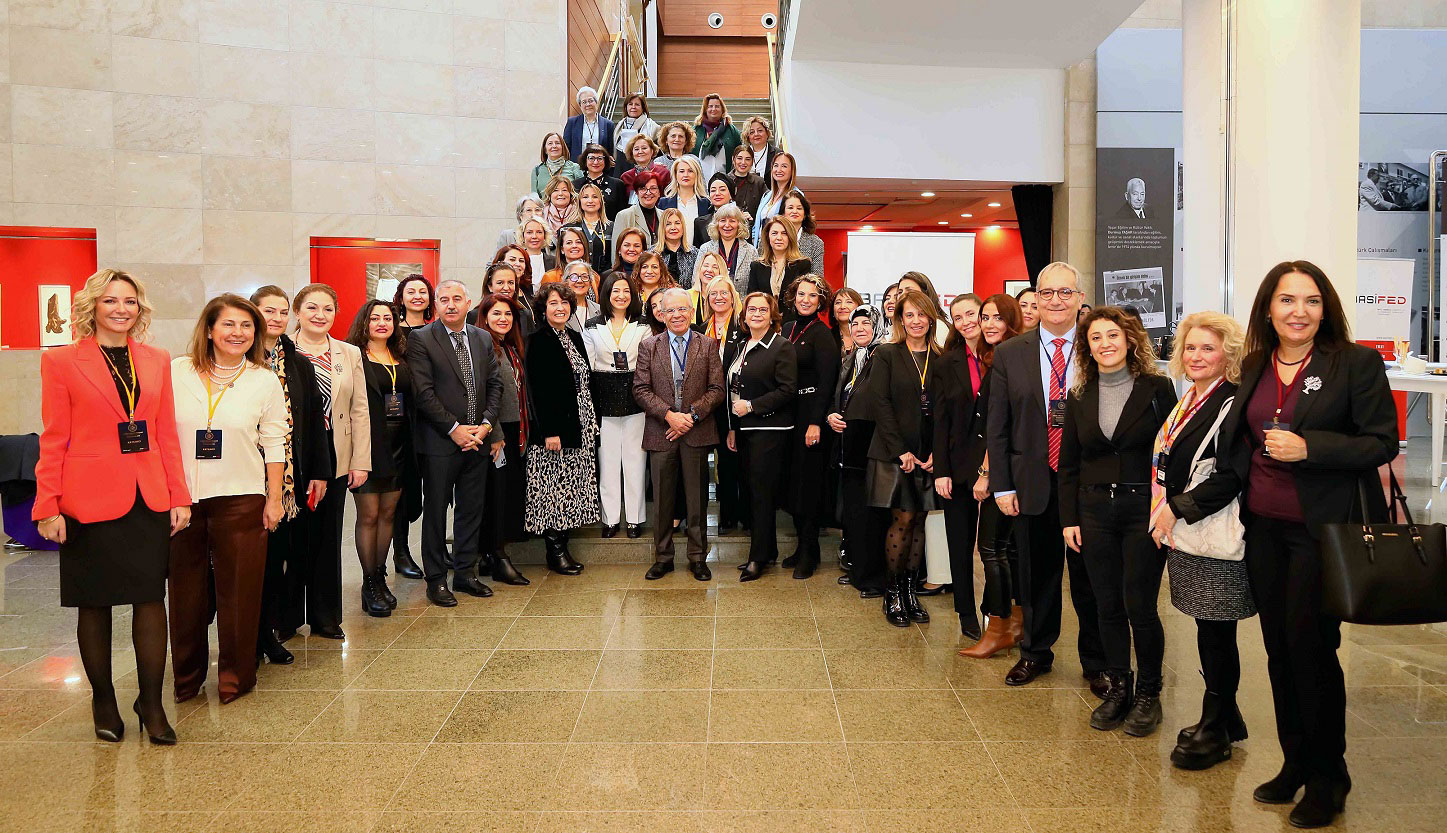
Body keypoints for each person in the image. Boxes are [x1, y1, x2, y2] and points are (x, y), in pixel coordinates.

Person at [1227, 261, 1397, 828]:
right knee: (1278, 650)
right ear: (1268, 309)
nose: (1299, 311)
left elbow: (1380, 442)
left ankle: (1330, 776)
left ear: (1326, 309)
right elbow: (1242, 443)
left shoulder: (1355, 363)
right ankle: (1296, 763)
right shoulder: (1254, 364)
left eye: (1312, 301)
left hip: (1322, 532)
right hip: (1265, 530)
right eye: (1286, 300)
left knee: (1313, 652)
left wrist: (1311, 448)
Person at [34, 269, 190, 743]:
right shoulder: (61, 361)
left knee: (150, 600)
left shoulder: (157, 359)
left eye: (130, 301)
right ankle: (103, 700)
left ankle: (151, 702)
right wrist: (47, 504)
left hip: (148, 495)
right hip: (87, 499)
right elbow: (54, 437)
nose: (121, 309)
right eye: (111, 301)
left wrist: (179, 495)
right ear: (92, 307)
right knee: (94, 604)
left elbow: (166, 434)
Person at [986, 261, 1106, 692]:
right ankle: (1036, 653)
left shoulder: (1100, 348)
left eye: (1065, 292)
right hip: (1030, 484)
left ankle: (1098, 662)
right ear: (1034, 298)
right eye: (1047, 293)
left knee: (1090, 579)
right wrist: (1002, 485)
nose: (1056, 300)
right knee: (1036, 576)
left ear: (1079, 298)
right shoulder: (1010, 353)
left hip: (1088, 485)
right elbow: (997, 426)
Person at [1058, 306, 1177, 735]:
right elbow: (1069, 462)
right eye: (1095, 338)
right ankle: (1119, 687)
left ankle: (1149, 693)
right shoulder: (1080, 393)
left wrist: (1170, 509)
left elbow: (1172, 453)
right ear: (1086, 347)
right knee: (1105, 604)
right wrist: (1069, 517)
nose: (1105, 344)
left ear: (1129, 340)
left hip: (1143, 512)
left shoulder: (1158, 388)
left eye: (1113, 335)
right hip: (1092, 512)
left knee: (1139, 605)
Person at [168, 294, 286, 704]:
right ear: (210, 329)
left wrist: (274, 499)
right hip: (182, 500)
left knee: (240, 592)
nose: (238, 333)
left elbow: (274, 442)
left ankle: (237, 677)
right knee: (186, 595)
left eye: (247, 326)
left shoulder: (263, 379)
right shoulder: (177, 372)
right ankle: (186, 679)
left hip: (242, 496)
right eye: (229, 325)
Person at [1148, 311, 1251, 771]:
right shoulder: (1190, 397)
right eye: (1190, 347)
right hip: (1191, 534)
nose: (1196, 355)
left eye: (1208, 348)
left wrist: (1173, 509)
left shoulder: (1233, 401)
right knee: (1208, 628)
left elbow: (1231, 474)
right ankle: (1227, 716)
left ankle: (1215, 724)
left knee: (1216, 631)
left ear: (1228, 355)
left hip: (1209, 531)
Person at [407, 279, 504, 607]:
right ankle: (435, 579)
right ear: (435, 305)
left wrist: (485, 425)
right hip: (439, 442)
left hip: (477, 439)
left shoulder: (482, 338)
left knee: (471, 509)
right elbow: (422, 393)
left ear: (468, 303)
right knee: (435, 512)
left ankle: (465, 573)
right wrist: (454, 428)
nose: (451, 304)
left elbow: (495, 386)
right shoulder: (420, 338)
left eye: (457, 299)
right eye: (444, 299)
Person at [282, 284, 371, 642]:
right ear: (298, 312)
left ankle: (325, 616)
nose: (320, 315)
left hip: (336, 453)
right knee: (290, 538)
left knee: (327, 537)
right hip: (291, 459)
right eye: (312, 308)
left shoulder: (348, 353)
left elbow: (360, 408)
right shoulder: (280, 350)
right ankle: (286, 617)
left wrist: (360, 460)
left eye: (328, 309)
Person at [250, 287, 334, 663]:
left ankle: (268, 632)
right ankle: (244, 637)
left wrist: (318, 471)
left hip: (286, 479)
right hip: (242, 474)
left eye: (283, 312)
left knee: (277, 557)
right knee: (247, 561)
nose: (277, 318)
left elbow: (314, 422)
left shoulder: (298, 363)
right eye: (269, 311)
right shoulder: (238, 358)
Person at [635, 287, 726, 579]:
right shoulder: (649, 346)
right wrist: (669, 417)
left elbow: (717, 389)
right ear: (661, 314)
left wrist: (691, 416)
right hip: (661, 432)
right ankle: (663, 558)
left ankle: (698, 557)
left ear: (692, 311)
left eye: (682, 309)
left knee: (697, 499)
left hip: (697, 432)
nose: (677, 315)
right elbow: (640, 389)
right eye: (670, 310)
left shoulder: (708, 344)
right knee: (662, 501)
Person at [867, 290, 945, 626]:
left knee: (920, 522)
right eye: (909, 315)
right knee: (902, 520)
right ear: (900, 319)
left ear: (932, 318)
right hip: (892, 452)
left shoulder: (942, 357)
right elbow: (879, 403)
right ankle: (893, 593)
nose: (916, 321)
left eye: (921, 314)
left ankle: (911, 592)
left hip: (928, 455)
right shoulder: (887, 354)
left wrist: (934, 454)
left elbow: (948, 411)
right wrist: (902, 451)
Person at [954, 295, 1027, 659]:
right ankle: (1014, 622)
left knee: (991, 549)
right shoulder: (1000, 356)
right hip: (1006, 468)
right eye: (985, 317)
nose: (989, 324)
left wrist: (985, 473)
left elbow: (1002, 425)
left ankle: (998, 628)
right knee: (1006, 549)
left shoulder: (1010, 359)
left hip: (1004, 470)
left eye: (997, 317)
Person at [346, 300, 415, 618]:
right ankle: (369, 582)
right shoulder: (353, 357)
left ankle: (380, 575)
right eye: (375, 318)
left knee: (389, 515)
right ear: (365, 323)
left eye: (388, 318)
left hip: (400, 445)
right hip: (368, 447)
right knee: (369, 516)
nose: (382, 323)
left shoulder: (401, 356)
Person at [526, 283, 600, 573]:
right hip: (555, 430)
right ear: (543, 309)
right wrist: (549, 431)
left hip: (579, 424)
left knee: (569, 489)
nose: (560, 308)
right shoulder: (539, 340)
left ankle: (563, 546)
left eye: (565, 303)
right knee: (553, 489)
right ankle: (554, 551)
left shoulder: (574, 337)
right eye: (554, 303)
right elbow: (539, 390)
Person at [726, 292, 798, 581]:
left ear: (772, 315)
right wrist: (733, 426)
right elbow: (734, 388)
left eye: (762, 310)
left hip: (770, 432)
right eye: (751, 309)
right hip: (744, 431)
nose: (755, 314)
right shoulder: (743, 345)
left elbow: (787, 390)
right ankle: (767, 551)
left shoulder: (781, 346)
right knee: (753, 493)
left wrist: (752, 406)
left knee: (762, 496)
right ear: (744, 315)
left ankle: (758, 557)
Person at [928, 293, 984, 634]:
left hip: (998, 468)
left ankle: (998, 609)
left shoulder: (1003, 356)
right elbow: (941, 421)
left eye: (971, 314)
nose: (966, 321)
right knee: (959, 542)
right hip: (958, 465)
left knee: (995, 550)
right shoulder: (947, 363)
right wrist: (941, 471)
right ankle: (966, 613)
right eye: (958, 316)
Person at [778, 274, 839, 578]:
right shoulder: (788, 328)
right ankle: (801, 547)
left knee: (809, 484)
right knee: (794, 482)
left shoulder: (823, 334)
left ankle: (810, 552)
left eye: (812, 296)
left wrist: (816, 422)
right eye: (801, 294)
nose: (805, 299)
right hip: (789, 414)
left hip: (811, 417)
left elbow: (827, 383)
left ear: (820, 301)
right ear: (793, 296)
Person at [583, 272, 650, 538]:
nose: (621, 296)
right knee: (608, 461)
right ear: (606, 294)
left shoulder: (643, 325)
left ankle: (634, 519)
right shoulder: (592, 326)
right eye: (615, 291)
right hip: (603, 398)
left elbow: (645, 364)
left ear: (632, 295)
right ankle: (610, 518)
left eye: (626, 291)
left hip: (636, 397)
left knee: (636, 460)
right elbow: (588, 365)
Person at [829, 304, 888, 596]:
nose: (860, 328)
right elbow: (841, 395)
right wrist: (832, 414)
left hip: (871, 447)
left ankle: (874, 578)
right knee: (853, 512)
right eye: (856, 324)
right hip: (848, 447)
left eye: (866, 323)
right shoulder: (853, 357)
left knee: (871, 516)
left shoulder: (883, 356)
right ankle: (858, 571)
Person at [473, 291, 531, 586]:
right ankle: (497, 556)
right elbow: (486, 396)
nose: (503, 319)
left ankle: (490, 554)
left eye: (508, 314)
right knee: (494, 497)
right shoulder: (482, 348)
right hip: (495, 433)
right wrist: (494, 435)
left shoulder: (509, 347)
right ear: (484, 316)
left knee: (503, 495)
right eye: (496, 313)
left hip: (513, 429)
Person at [694, 275, 748, 533]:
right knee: (700, 467)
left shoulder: (743, 329)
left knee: (730, 463)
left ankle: (731, 515)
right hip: (703, 406)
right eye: (713, 293)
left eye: (723, 293)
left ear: (732, 297)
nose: (718, 297)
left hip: (731, 406)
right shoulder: (698, 329)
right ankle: (697, 518)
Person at [694, 203, 759, 295]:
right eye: (723, 221)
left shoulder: (751, 251)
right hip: (712, 304)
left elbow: (755, 287)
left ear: (739, 224)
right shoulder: (705, 248)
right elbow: (695, 280)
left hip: (741, 305)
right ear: (717, 224)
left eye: (732, 221)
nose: (727, 225)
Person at [747, 216, 813, 297]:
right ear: (768, 237)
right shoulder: (757, 266)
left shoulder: (803, 265)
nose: (779, 238)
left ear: (790, 237)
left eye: (784, 233)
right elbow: (752, 298)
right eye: (774, 233)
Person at [468, 259, 535, 336]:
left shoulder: (525, 315)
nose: (506, 288)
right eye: (500, 283)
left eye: (510, 282)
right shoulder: (475, 315)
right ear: (490, 286)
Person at [659, 155, 709, 244]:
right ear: (675, 175)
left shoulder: (706, 204)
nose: (686, 175)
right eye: (681, 171)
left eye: (690, 171)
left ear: (696, 174)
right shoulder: (663, 203)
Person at [693, 93, 742, 180]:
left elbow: (740, 151)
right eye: (710, 106)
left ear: (722, 109)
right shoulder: (696, 130)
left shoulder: (731, 131)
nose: (713, 109)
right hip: (699, 181)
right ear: (705, 109)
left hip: (724, 180)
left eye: (717, 106)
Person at [573, 142, 628, 219]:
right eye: (591, 158)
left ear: (605, 161)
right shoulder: (575, 185)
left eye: (600, 158)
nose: (595, 162)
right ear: (585, 161)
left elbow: (623, 213)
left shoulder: (617, 184)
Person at [752, 152, 799, 241]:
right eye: (776, 166)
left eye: (784, 166)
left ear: (792, 170)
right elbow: (757, 226)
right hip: (761, 249)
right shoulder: (767, 195)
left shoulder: (796, 196)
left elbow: (796, 228)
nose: (779, 170)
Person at [612, 171, 663, 251]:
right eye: (643, 188)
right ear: (636, 193)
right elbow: (616, 250)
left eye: (653, 188)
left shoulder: (664, 215)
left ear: (659, 192)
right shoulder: (624, 216)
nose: (648, 193)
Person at [571, 182, 615, 274]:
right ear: (580, 201)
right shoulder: (571, 228)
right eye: (585, 197)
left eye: (595, 197)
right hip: (576, 277)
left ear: (601, 201)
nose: (590, 201)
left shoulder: (612, 227)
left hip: (604, 278)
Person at [563, 85, 615, 161]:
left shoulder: (608, 124)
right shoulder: (572, 122)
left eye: (590, 101)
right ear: (580, 105)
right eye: (584, 102)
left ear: (596, 102)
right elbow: (565, 147)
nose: (588, 104)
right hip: (577, 169)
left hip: (599, 167)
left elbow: (610, 150)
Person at [613, 93, 661, 172]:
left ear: (643, 107)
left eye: (637, 104)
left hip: (644, 170)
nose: (633, 107)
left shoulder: (653, 127)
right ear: (626, 107)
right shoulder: (619, 126)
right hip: (620, 168)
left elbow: (657, 153)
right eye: (630, 104)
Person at [654, 207, 698, 288]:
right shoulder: (651, 254)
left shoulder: (695, 254)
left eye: (677, 223)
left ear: (683, 227)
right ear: (662, 228)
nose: (673, 227)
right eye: (668, 224)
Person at [726, 145, 768, 231]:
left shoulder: (759, 182)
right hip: (727, 228)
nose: (743, 162)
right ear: (733, 159)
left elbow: (767, 205)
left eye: (748, 159)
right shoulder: (724, 181)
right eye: (739, 158)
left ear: (752, 161)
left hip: (751, 230)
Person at [619, 134, 670, 202]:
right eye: (636, 149)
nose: (640, 152)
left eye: (644, 148)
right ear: (632, 153)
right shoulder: (626, 177)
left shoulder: (664, 173)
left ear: (652, 151)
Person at [531, 131, 583, 197]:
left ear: (563, 147)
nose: (554, 146)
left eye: (557, 143)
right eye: (550, 143)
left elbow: (581, 193)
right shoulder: (537, 170)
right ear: (545, 150)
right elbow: (534, 197)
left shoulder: (574, 167)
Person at [782, 191, 825, 268]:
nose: (794, 211)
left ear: (805, 214)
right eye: (790, 208)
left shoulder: (816, 243)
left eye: (799, 208)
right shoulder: (770, 238)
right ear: (783, 213)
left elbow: (817, 277)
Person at [694, 172, 735, 244]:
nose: (717, 193)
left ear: (731, 195)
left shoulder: (741, 220)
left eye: (722, 190)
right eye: (713, 190)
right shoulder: (700, 223)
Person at [518, 216, 556, 280]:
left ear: (545, 235)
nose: (534, 236)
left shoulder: (554, 262)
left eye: (539, 232)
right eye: (529, 232)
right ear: (522, 236)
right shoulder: (517, 261)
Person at [833, 288, 863, 353]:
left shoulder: (870, 336)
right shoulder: (826, 337)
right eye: (838, 302)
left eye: (849, 302)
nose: (842, 306)